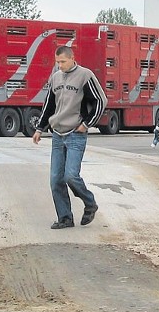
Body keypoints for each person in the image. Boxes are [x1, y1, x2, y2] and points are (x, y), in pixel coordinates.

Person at [33, 45, 108, 229]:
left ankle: (89, 203)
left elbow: (101, 101)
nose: (60, 65)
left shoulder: (85, 75)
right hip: (57, 134)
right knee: (56, 180)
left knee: (71, 176)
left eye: (63, 62)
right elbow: (49, 104)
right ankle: (65, 217)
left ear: (72, 58)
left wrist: (86, 124)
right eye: (57, 62)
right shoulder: (55, 77)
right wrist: (39, 128)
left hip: (75, 133)